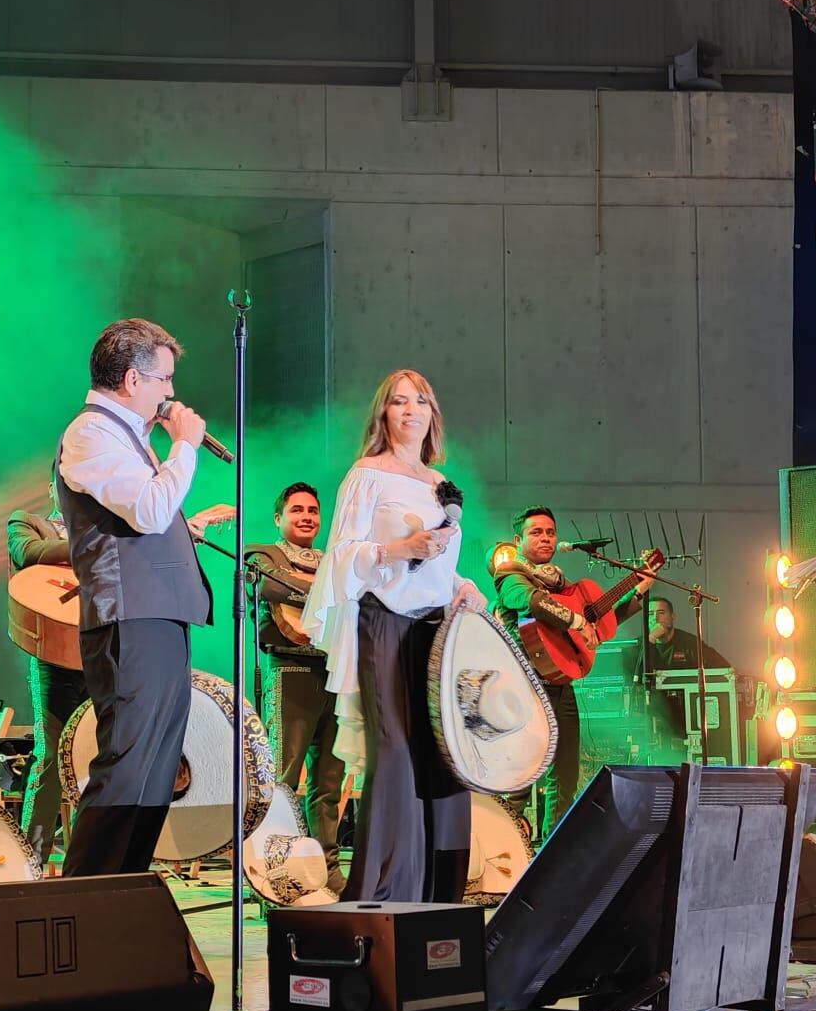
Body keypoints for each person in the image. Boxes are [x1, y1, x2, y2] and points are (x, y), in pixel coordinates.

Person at [303, 369, 488, 903]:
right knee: (396, 749)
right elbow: (339, 557)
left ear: (433, 414)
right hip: (384, 622)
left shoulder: (438, 484)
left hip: (436, 630)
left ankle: (440, 890)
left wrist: (461, 584)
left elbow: (436, 564)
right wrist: (398, 550)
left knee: (444, 750)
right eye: (399, 402)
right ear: (383, 414)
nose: (411, 410)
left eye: (421, 401)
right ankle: (383, 889)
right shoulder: (367, 475)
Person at [53, 318, 226, 877]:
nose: (171, 393)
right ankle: (86, 899)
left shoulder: (129, 438)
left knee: (157, 765)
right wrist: (185, 446)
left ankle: (123, 888)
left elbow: (142, 520)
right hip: (129, 617)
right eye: (164, 380)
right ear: (132, 378)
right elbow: (149, 510)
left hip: (159, 613)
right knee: (129, 762)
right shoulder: (90, 432)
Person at [493, 505, 636, 839]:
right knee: (520, 776)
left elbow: (598, 623)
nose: (546, 538)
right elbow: (530, 602)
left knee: (565, 776)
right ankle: (502, 853)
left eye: (550, 532)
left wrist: (638, 591)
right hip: (524, 688)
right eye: (536, 532)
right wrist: (576, 620)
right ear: (519, 539)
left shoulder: (563, 585)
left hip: (559, 685)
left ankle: (551, 856)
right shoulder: (511, 574)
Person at [247, 482, 347, 894]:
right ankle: (276, 865)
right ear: (279, 518)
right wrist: (328, 592)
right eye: (297, 510)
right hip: (290, 670)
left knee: (329, 779)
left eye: (312, 511)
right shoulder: (263, 554)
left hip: (333, 671)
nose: (307, 517)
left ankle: (327, 865)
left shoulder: (332, 560)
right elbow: (271, 587)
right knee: (284, 776)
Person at [5, 490, 84, 867]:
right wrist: (93, 545)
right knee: (50, 759)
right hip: (53, 659)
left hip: (104, 655)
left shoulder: (106, 528)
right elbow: (29, 554)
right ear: (55, 486)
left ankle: (90, 862)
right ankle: (30, 862)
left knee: (101, 761)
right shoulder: (29, 521)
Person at [624, 595, 730, 746]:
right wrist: (652, 638)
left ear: (672, 617)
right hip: (653, 715)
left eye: (661, 613)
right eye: (650, 614)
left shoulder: (689, 643)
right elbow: (634, 677)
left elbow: (723, 668)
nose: (656, 618)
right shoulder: (640, 645)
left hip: (689, 717)